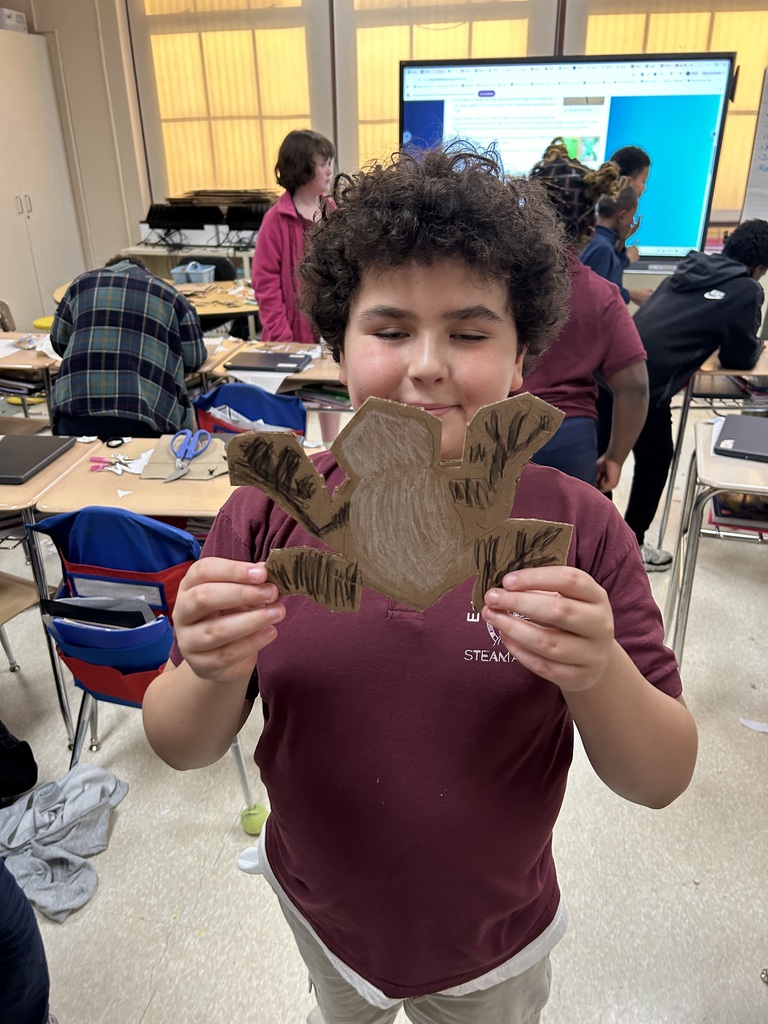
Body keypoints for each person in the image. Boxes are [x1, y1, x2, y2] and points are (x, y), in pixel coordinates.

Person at [142, 146, 697, 1024]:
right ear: (339, 348)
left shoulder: (578, 531)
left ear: (522, 360)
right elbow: (181, 745)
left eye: (470, 334)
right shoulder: (268, 515)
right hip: (321, 915)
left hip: (493, 944)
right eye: (391, 330)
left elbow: (661, 776)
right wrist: (209, 667)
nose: (428, 364)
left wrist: (598, 672)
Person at [624, 218, 768, 570]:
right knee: (655, 462)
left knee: (607, 460)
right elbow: (738, 357)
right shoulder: (746, 289)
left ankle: (605, 544)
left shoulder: (689, 266)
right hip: (647, 388)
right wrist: (755, 346)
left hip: (616, 365)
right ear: (759, 267)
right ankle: (629, 548)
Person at [522, 139, 649, 491]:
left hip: (492, 430)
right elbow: (635, 387)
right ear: (590, 231)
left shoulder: (495, 284)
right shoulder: (602, 295)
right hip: (569, 440)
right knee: (570, 526)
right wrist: (615, 457)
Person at [51, 256, 206, 439]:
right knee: (149, 456)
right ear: (145, 271)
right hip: (144, 415)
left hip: (73, 411)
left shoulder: (80, 284)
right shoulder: (171, 296)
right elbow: (194, 358)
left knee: (77, 458)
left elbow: (59, 341)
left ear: (107, 268)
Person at [251, 129, 335, 344]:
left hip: (329, 335)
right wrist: (282, 338)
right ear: (301, 169)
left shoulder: (332, 212)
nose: (329, 171)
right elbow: (265, 285)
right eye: (322, 164)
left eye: (329, 163)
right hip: (290, 338)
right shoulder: (275, 220)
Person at [580, 186, 652, 306]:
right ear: (622, 216)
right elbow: (600, 297)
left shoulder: (595, 240)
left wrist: (623, 240)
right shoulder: (602, 249)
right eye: (632, 217)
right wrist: (631, 294)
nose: (632, 223)